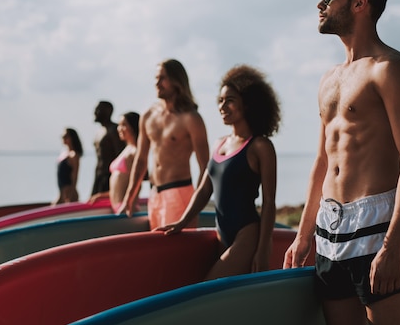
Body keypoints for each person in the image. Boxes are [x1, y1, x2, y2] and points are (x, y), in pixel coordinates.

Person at [283, 0, 400, 325]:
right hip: (329, 229)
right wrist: (302, 235)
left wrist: (393, 246)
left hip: (377, 226)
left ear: (360, 3)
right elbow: (322, 161)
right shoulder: (329, 78)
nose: (320, 4)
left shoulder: (391, 69)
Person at [157, 65, 280, 280]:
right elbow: (205, 189)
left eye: (230, 100)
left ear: (248, 103)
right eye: (221, 101)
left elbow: (269, 202)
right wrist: (182, 222)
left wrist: (263, 250)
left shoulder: (260, 147)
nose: (223, 106)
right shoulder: (219, 143)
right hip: (220, 233)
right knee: (230, 295)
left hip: (247, 233)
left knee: (209, 284)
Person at [119, 59, 209, 230]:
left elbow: (206, 168)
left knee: (177, 253)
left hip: (179, 193)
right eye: (156, 78)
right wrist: (129, 198)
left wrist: (195, 205)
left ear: (177, 81)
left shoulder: (191, 118)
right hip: (155, 194)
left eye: (162, 78)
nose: (157, 83)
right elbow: (140, 159)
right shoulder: (148, 115)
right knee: (158, 250)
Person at [89, 112, 141, 213]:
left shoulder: (135, 152)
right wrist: (102, 195)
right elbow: (120, 185)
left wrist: (127, 204)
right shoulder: (127, 149)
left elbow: (138, 183)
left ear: (133, 126)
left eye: (124, 125)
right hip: (118, 207)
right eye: (119, 125)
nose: (119, 128)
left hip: (126, 209)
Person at [91, 100, 125, 196]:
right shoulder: (99, 132)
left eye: (98, 109)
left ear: (108, 111)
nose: (95, 112)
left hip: (110, 176)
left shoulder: (114, 130)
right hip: (99, 176)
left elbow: (121, 156)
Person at [53, 127, 84, 205]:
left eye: (66, 136)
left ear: (72, 138)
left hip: (69, 194)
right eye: (62, 136)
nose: (63, 138)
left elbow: (75, 175)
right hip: (61, 193)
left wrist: (71, 193)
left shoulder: (74, 155)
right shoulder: (64, 153)